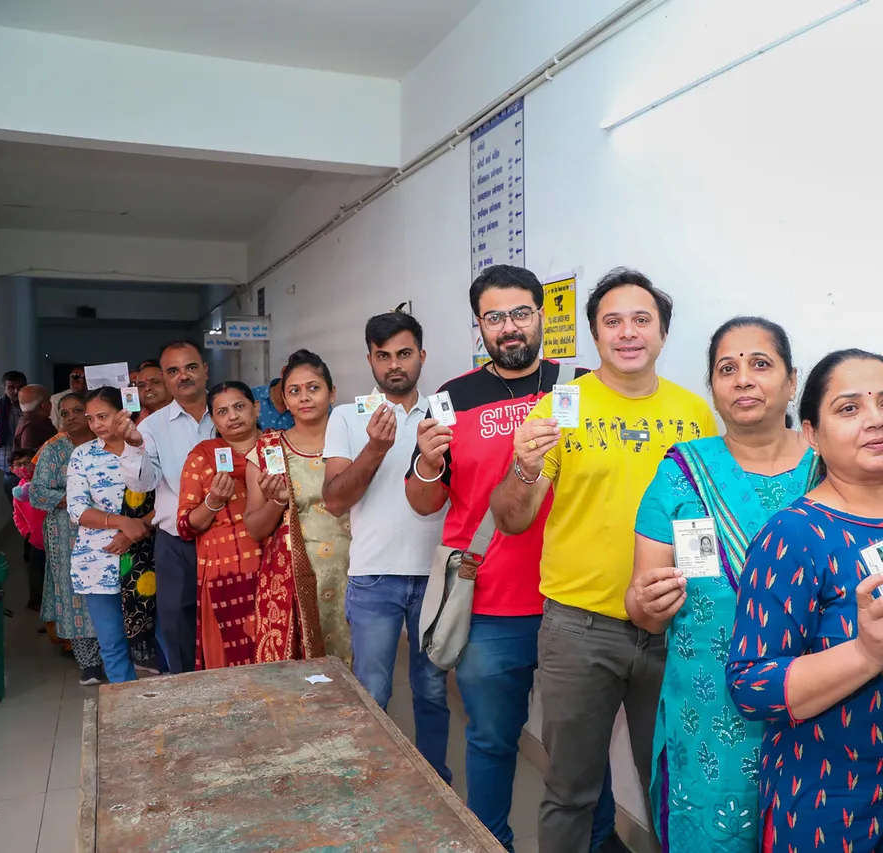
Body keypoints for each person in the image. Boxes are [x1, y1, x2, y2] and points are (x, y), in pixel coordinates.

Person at [490, 268, 716, 851]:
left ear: (663, 333)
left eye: (642, 320)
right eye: (612, 322)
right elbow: (512, 519)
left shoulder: (695, 415)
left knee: (674, 785)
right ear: (595, 335)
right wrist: (523, 466)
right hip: (578, 629)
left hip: (676, 628)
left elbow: (707, 521)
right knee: (570, 790)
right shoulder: (561, 405)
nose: (628, 333)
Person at [406, 265, 617, 852]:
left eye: (521, 313)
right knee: (493, 740)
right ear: (479, 326)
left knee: (581, 748)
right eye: (494, 317)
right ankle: (490, 841)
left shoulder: (581, 386)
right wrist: (425, 459)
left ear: (543, 316)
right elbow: (425, 502)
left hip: (576, 599)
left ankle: (596, 844)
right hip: (492, 601)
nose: (510, 327)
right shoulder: (450, 398)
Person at [724, 348, 883, 853]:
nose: (875, 420)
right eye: (848, 409)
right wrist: (866, 653)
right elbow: (751, 685)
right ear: (812, 435)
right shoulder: (794, 534)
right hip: (828, 802)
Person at [627, 317, 814, 853]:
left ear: (791, 380)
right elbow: (642, 608)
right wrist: (645, 602)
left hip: (818, 709)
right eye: (726, 369)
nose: (743, 380)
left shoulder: (831, 470)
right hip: (708, 719)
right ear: (712, 388)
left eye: (760, 365)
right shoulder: (679, 474)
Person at [322, 311, 450, 781]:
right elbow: (334, 500)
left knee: (433, 690)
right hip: (374, 576)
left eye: (403, 354)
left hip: (437, 573)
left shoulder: (445, 411)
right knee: (372, 690)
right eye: (383, 356)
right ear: (370, 360)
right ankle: (370, 781)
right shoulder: (347, 417)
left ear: (422, 355)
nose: (394, 365)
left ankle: (436, 782)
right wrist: (375, 448)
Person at [245, 350, 352, 665]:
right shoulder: (268, 451)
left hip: (358, 573)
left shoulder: (357, 443)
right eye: (295, 391)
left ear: (332, 393)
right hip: (296, 580)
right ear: (284, 399)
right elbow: (255, 528)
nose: (305, 398)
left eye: (314, 388)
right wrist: (277, 501)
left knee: (363, 672)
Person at [116, 340, 214, 674]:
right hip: (177, 543)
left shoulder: (228, 412)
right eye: (173, 371)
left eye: (190, 367)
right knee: (177, 624)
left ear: (205, 370)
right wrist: (132, 447)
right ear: (165, 378)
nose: (183, 376)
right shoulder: (151, 427)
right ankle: (189, 693)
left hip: (231, 537)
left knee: (231, 620)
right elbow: (141, 483)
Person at [67, 387, 158, 684]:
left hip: (149, 554)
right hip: (99, 557)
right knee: (112, 641)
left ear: (123, 412)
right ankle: (125, 704)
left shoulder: (147, 446)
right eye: (91, 418)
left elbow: (170, 497)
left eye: (103, 416)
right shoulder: (83, 455)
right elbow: (77, 508)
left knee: (162, 633)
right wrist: (121, 522)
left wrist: (133, 531)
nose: (96, 425)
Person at [178, 381, 266, 669]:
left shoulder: (277, 447)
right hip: (224, 572)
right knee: (229, 662)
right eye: (222, 411)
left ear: (256, 407)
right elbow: (186, 526)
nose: (233, 416)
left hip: (276, 568)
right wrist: (214, 501)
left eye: (239, 406)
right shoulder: (202, 456)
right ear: (213, 419)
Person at [31, 394, 105, 684]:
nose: (72, 416)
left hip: (106, 529)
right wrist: (75, 500)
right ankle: (89, 663)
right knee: (75, 593)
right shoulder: (54, 449)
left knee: (107, 587)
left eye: (78, 410)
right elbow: (37, 493)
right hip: (66, 533)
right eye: (65, 413)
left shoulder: (107, 443)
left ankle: (111, 652)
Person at [11, 449, 49, 615]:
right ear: (12, 469)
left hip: (56, 539)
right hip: (36, 541)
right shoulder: (18, 492)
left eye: (26, 463)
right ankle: (41, 607)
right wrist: (27, 533)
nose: (23, 468)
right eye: (18, 465)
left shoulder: (47, 483)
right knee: (38, 575)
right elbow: (17, 516)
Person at [0, 370, 28, 499]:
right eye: (11, 387)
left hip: (31, 470)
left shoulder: (32, 406)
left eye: (20, 387)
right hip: (9, 471)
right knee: (16, 510)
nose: (16, 391)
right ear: (4, 388)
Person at [16, 385, 59, 452]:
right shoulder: (31, 428)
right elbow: (28, 458)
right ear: (43, 405)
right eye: (48, 400)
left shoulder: (38, 422)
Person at [134, 360, 171, 425]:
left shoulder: (189, 412)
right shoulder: (134, 426)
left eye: (155, 382)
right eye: (141, 385)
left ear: (169, 384)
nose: (147, 388)